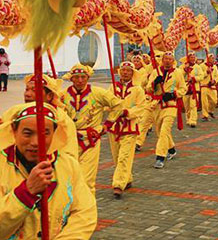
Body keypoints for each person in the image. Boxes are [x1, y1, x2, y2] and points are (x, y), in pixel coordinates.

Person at [0, 103, 97, 240]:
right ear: (14, 131)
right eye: (27, 133)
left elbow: (85, 213)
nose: (36, 142)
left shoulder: (68, 165)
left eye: (44, 134)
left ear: (54, 134)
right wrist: (25, 194)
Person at [0, 73, 78, 157]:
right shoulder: (14, 113)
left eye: (35, 90)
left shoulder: (62, 120)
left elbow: (69, 157)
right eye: (27, 89)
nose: (28, 94)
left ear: (49, 96)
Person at [62, 63, 122, 193]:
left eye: (83, 77)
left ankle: (87, 210)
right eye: (76, 77)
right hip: (69, 140)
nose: (80, 80)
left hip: (91, 140)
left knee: (86, 179)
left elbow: (117, 104)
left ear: (88, 78)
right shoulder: (62, 95)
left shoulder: (98, 92)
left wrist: (108, 123)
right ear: (71, 79)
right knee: (67, 176)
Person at [106, 61, 152, 198]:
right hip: (114, 127)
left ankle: (118, 184)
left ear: (133, 73)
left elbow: (141, 107)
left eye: (128, 70)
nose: (125, 72)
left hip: (130, 127)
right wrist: (112, 108)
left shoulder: (138, 89)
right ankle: (128, 177)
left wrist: (127, 112)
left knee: (124, 157)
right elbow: (106, 103)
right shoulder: (112, 87)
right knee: (116, 157)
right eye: (123, 70)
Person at [149, 52, 187, 169]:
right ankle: (171, 149)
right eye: (166, 58)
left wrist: (174, 94)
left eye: (170, 59)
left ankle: (160, 157)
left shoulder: (178, 73)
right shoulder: (156, 72)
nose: (167, 61)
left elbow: (183, 88)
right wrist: (154, 83)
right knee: (160, 131)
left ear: (173, 61)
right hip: (157, 105)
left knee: (165, 130)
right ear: (163, 59)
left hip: (171, 105)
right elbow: (147, 87)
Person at [181, 53, 203, 126]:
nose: (193, 59)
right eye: (191, 57)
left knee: (193, 105)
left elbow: (201, 76)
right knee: (186, 106)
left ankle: (193, 120)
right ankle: (188, 119)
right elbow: (179, 76)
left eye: (194, 57)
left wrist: (194, 79)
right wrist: (185, 70)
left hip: (194, 88)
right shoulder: (183, 66)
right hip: (185, 88)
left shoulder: (198, 67)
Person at [200, 53, 218, 121]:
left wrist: (214, 81)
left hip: (212, 86)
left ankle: (210, 111)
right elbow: (200, 76)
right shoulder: (202, 66)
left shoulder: (214, 67)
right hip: (204, 86)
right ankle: (205, 116)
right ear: (208, 58)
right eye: (211, 58)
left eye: (213, 58)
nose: (213, 59)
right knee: (204, 102)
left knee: (214, 100)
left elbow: (217, 76)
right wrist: (206, 72)